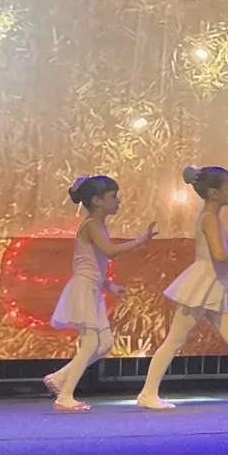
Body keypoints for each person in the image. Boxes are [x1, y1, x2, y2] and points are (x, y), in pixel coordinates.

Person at [136, 166, 228, 409]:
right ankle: (147, 393)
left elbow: (220, 257)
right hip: (202, 284)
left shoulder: (211, 218)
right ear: (214, 193)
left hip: (211, 283)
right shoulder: (209, 218)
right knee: (175, 340)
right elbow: (219, 255)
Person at [43, 175, 156, 412]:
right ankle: (64, 396)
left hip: (92, 288)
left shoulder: (98, 225)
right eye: (113, 197)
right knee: (91, 343)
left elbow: (94, 263)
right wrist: (141, 240)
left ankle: (59, 378)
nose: (118, 201)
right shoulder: (91, 225)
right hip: (84, 289)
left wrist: (110, 286)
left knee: (104, 344)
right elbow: (109, 252)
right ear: (97, 201)